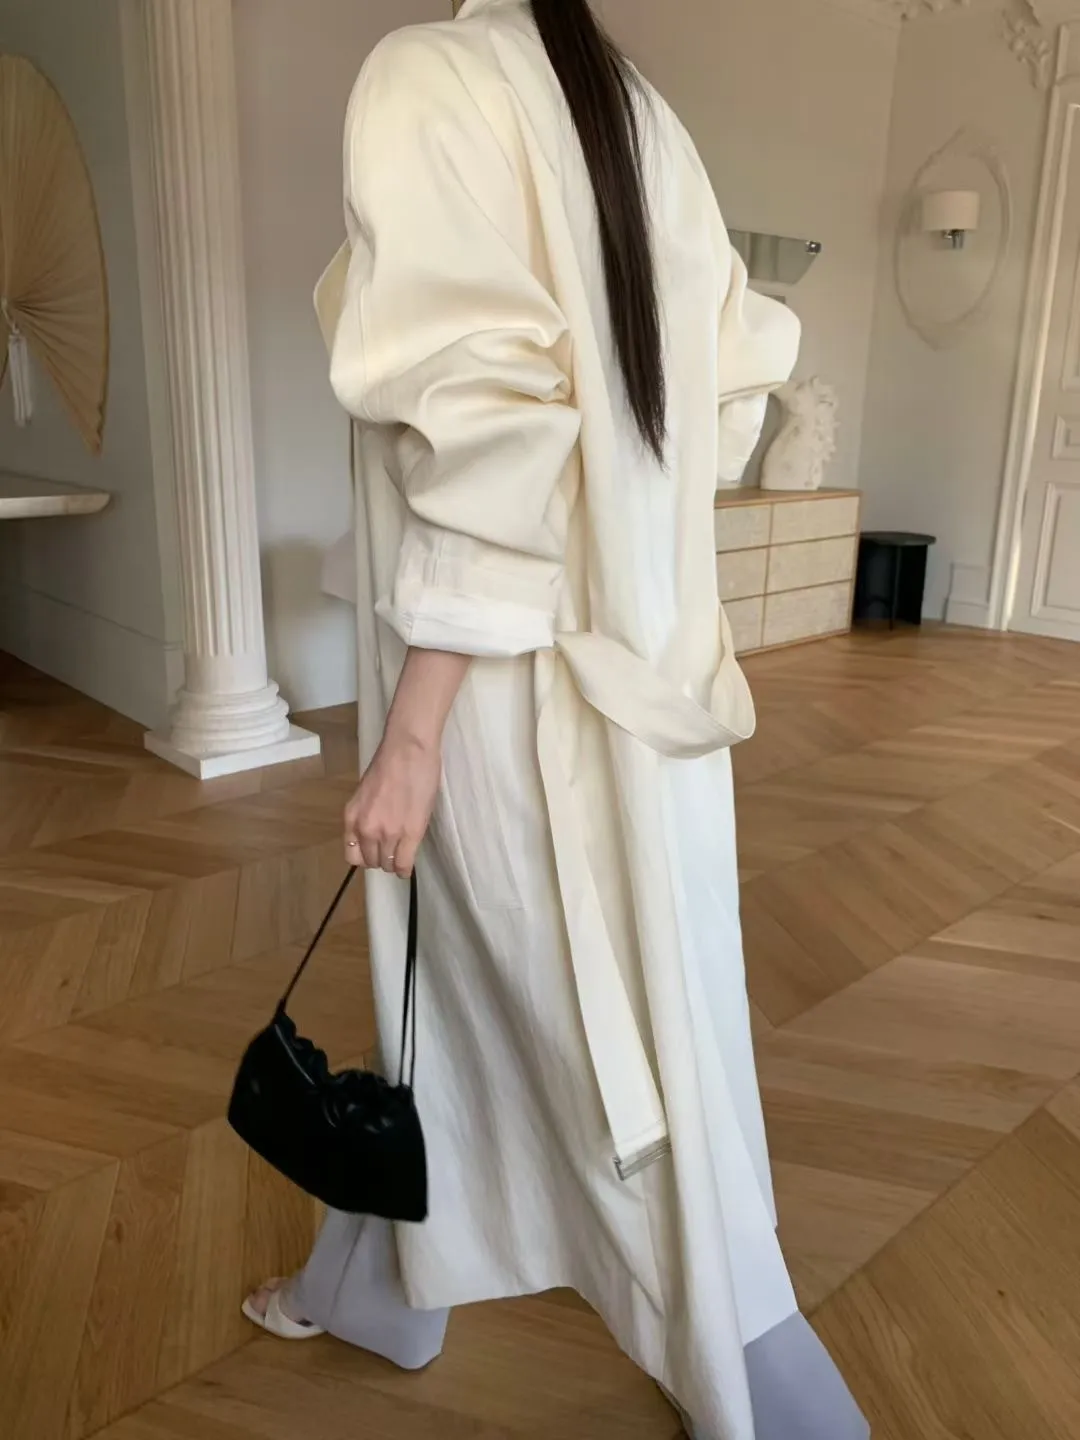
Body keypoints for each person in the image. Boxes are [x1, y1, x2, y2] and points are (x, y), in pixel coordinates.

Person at [246, 2, 869, 1437]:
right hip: (637, 688)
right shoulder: (636, 109)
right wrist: (627, 555)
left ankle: (773, 1392)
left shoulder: (428, 75)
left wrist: (412, 736)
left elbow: (489, 436)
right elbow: (725, 400)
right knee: (495, 999)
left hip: (503, 704)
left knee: (608, 1060)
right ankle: (380, 1283)